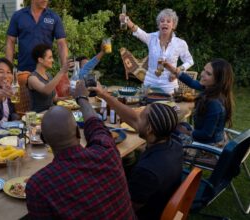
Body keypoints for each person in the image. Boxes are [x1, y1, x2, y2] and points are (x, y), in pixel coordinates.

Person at [26, 81, 135, 219]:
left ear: (44, 140)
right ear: (78, 132)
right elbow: (95, 125)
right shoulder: (107, 152)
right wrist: (81, 98)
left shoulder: (39, 186)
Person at [90, 83, 182, 220]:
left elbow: (126, 210)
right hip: (159, 200)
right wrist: (103, 94)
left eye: (141, 116)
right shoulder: (174, 144)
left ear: (150, 129)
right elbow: (132, 118)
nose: (136, 116)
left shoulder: (147, 171)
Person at [121, 8, 194, 94]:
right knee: (146, 106)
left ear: (173, 25)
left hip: (169, 87)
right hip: (149, 85)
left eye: (168, 21)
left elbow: (189, 61)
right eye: (162, 21)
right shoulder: (151, 38)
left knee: (168, 107)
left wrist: (178, 71)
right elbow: (138, 32)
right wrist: (127, 20)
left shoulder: (180, 43)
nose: (165, 23)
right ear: (159, 25)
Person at [164, 58, 234, 146]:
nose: (202, 74)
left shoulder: (214, 103)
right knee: (179, 124)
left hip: (207, 146)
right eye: (204, 70)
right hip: (207, 138)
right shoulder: (211, 90)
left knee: (166, 129)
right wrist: (174, 70)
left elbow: (206, 134)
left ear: (218, 80)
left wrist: (188, 132)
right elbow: (191, 82)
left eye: (208, 74)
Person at [6, 0, 68, 72]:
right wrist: (8, 69)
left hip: (45, 72)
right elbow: (10, 41)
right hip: (23, 71)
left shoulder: (54, 17)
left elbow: (61, 44)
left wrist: (65, 70)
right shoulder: (18, 16)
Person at [27, 44, 68, 112]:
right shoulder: (32, 78)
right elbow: (45, 90)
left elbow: (55, 99)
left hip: (52, 112)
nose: (52, 60)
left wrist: (69, 98)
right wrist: (61, 72)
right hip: (39, 116)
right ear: (40, 60)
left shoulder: (49, 75)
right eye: (50, 57)